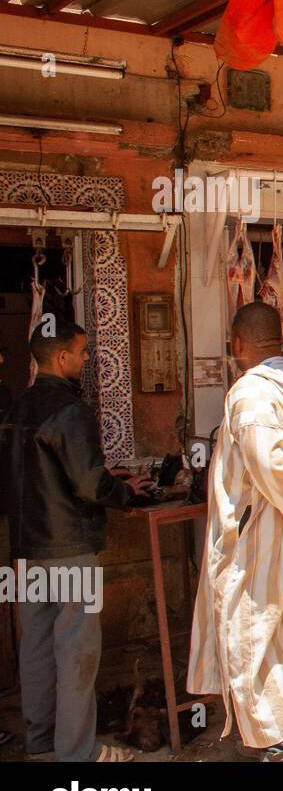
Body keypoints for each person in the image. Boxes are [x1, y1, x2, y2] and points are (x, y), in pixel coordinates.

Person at [0, 318, 149, 762]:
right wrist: (124, 491)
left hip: (27, 549)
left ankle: (42, 742)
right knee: (76, 651)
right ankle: (76, 754)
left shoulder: (14, 411)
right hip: (69, 549)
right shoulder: (70, 411)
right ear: (62, 357)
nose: (86, 360)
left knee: (38, 646)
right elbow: (90, 485)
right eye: (83, 353)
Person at [187, 302, 283, 762]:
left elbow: (269, 462)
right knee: (268, 629)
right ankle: (275, 728)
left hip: (259, 531)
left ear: (239, 344)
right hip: (277, 528)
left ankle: (273, 738)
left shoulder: (251, 393)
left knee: (246, 629)